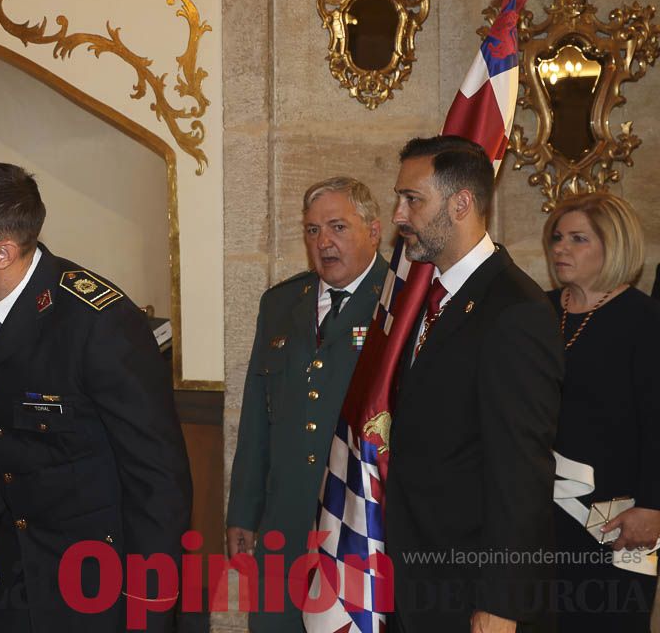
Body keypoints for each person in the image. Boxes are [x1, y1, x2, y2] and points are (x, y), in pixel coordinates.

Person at [0, 162, 192, 633]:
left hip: (90, 583)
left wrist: (148, 604)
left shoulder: (97, 322)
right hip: (1, 578)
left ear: (3, 252)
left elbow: (158, 475)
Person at [385, 135, 564, 633]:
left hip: (471, 594)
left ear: (462, 203)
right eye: (400, 198)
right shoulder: (428, 294)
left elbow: (521, 472)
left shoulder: (514, 310)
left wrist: (502, 603)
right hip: (418, 580)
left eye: (412, 199)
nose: (399, 214)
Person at [226, 176, 388, 631]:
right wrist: (243, 510)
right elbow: (258, 415)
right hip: (286, 520)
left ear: (374, 231)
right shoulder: (281, 304)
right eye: (313, 230)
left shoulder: (398, 303)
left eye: (338, 227)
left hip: (362, 523)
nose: (324, 242)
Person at [543, 193, 660, 631]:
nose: (560, 248)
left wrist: (654, 506)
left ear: (615, 245)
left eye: (578, 239)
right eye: (557, 237)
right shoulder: (539, 309)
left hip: (625, 518)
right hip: (546, 514)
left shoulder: (645, 320)